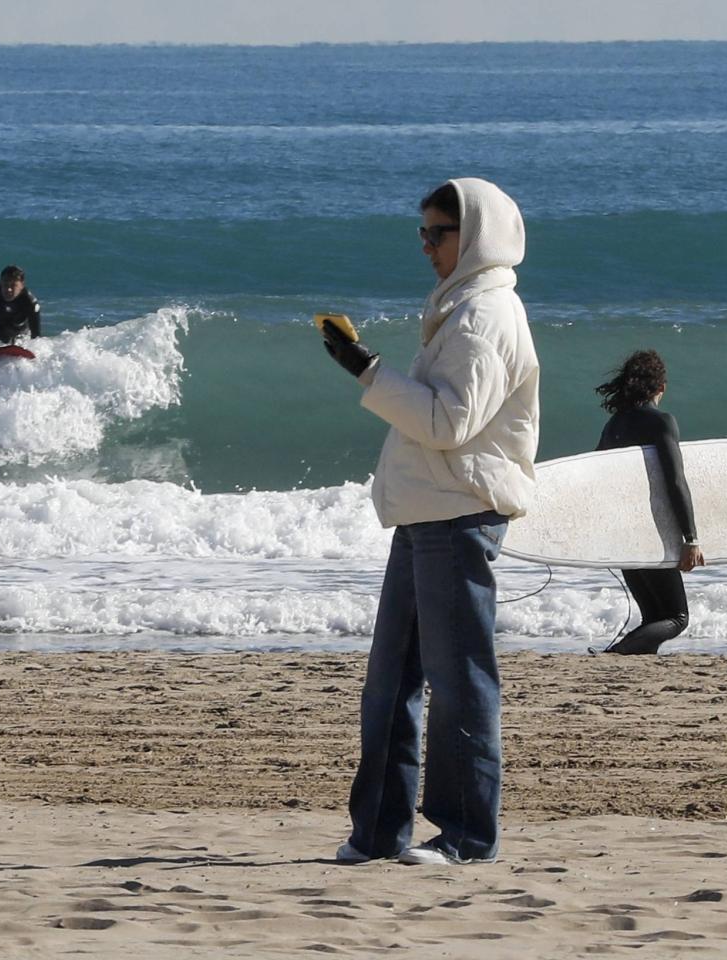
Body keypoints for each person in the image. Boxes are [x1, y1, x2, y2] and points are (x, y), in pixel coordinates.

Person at [319, 178, 540, 867]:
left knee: (461, 681)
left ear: (474, 236)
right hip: (427, 513)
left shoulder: (486, 316)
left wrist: (367, 371)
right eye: (422, 233)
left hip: (460, 513)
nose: (426, 246)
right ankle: (380, 831)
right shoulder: (457, 306)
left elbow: (448, 423)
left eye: (437, 233)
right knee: (391, 681)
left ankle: (470, 836)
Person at [593, 349, 704, 655]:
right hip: (648, 532)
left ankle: (628, 657)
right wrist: (690, 538)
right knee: (676, 617)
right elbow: (675, 481)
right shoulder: (661, 422)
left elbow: (597, 478)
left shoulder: (613, 425)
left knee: (654, 616)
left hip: (622, 533)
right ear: (661, 388)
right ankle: (616, 653)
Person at [0, 265, 42, 351]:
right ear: (0, 282)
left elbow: (36, 335)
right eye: (5, 284)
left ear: (22, 285)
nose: (8, 289)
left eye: (13, 285)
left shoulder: (30, 302)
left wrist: (32, 350)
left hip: (21, 334)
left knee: (22, 338)